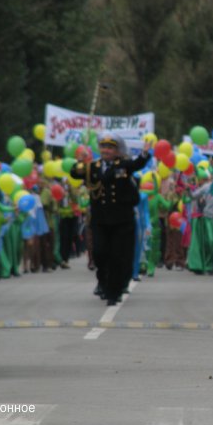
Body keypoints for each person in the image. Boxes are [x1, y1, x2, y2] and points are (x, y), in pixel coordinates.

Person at [70, 131, 150, 306]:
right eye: (103, 147)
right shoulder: (92, 166)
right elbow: (75, 173)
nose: (106, 150)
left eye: (110, 148)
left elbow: (138, 163)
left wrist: (144, 152)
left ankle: (113, 292)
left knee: (118, 256)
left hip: (121, 220)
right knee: (99, 253)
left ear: (116, 150)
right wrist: (81, 158)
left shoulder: (123, 165)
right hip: (100, 220)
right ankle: (103, 281)